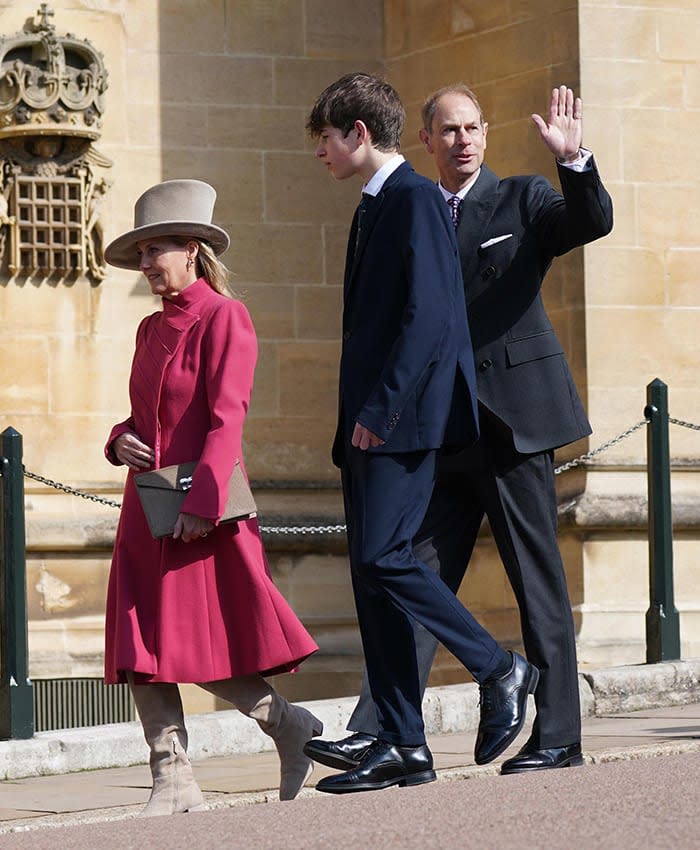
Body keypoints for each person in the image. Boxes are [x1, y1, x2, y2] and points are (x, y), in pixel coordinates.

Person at [305, 84, 614, 776]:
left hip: (510, 423)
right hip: (441, 428)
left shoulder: (524, 199)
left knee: (537, 586)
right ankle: (386, 729)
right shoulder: (413, 204)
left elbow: (589, 223)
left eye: (474, 127)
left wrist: (576, 161)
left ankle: (558, 735)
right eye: (449, 130)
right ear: (426, 141)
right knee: (409, 572)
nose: (464, 140)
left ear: (486, 134)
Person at [102, 179, 323, 814]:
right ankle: (171, 777)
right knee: (143, 645)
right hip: (147, 507)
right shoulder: (149, 330)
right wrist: (119, 442)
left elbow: (229, 418)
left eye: (158, 249)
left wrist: (201, 502)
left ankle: (288, 727)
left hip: (201, 509)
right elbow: (140, 418)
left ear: (192, 250)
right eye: (141, 252)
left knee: (194, 645)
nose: (146, 263)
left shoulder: (226, 316)